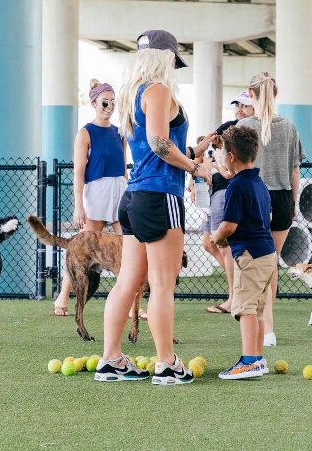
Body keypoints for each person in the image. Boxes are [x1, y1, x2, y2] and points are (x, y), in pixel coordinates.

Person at [94, 30, 214, 384]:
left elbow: (155, 148)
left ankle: (110, 360)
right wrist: (197, 168)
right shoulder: (158, 91)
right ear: (165, 60)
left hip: (134, 199)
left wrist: (193, 150)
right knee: (163, 285)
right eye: (173, 61)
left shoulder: (133, 95)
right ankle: (167, 364)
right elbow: (161, 145)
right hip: (161, 197)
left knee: (128, 282)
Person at [237, 72, 304, 347]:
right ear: (274, 95)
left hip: (253, 198)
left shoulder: (243, 125)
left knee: (252, 265)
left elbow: (236, 169)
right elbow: (294, 171)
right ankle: (268, 330)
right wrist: (295, 204)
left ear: (250, 94)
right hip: (282, 199)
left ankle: (256, 328)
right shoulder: (288, 126)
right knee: (270, 264)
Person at [53, 78, 128, 317]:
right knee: (81, 248)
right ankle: (62, 297)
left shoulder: (120, 133)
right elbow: (79, 173)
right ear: (94, 103)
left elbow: (124, 168)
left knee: (128, 248)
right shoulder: (85, 133)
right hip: (96, 193)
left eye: (113, 103)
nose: (109, 107)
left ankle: (129, 303)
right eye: (105, 102)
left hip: (119, 190)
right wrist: (79, 206)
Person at [209, 126, 276, 379]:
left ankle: (248, 360)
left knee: (244, 308)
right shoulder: (258, 183)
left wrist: (217, 236)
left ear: (232, 157)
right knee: (257, 309)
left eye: (223, 153)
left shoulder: (236, 187)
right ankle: (257, 358)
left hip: (249, 256)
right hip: (267, 254)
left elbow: (229, 225)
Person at [203, 91, 255, 314]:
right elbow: (206, 145)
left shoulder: (249, 136)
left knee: (224, 247)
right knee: (209, 243)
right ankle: (238, 288)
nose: (239, 109)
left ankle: (235, 296)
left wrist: (215, 166)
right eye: (237, 105)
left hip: (225, 193)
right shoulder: (227, 128)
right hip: (213, 192)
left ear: (254, 109)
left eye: (244, 106)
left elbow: (230, 172)